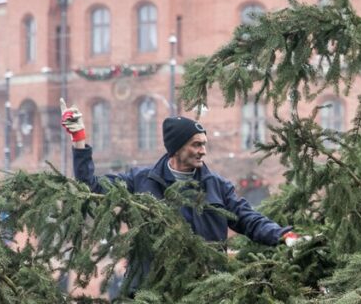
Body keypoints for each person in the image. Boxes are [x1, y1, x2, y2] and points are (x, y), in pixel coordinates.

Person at [60, 99, 300, 253]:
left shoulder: (216, 186)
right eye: (196, 145)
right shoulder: (141, 181)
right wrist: (79, 140)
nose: (202, 150)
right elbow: (90, 187)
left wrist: (282, 234)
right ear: (176, 148)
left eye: (204, 144)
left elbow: (249, 219)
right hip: (155, 292)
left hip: (205, 291)